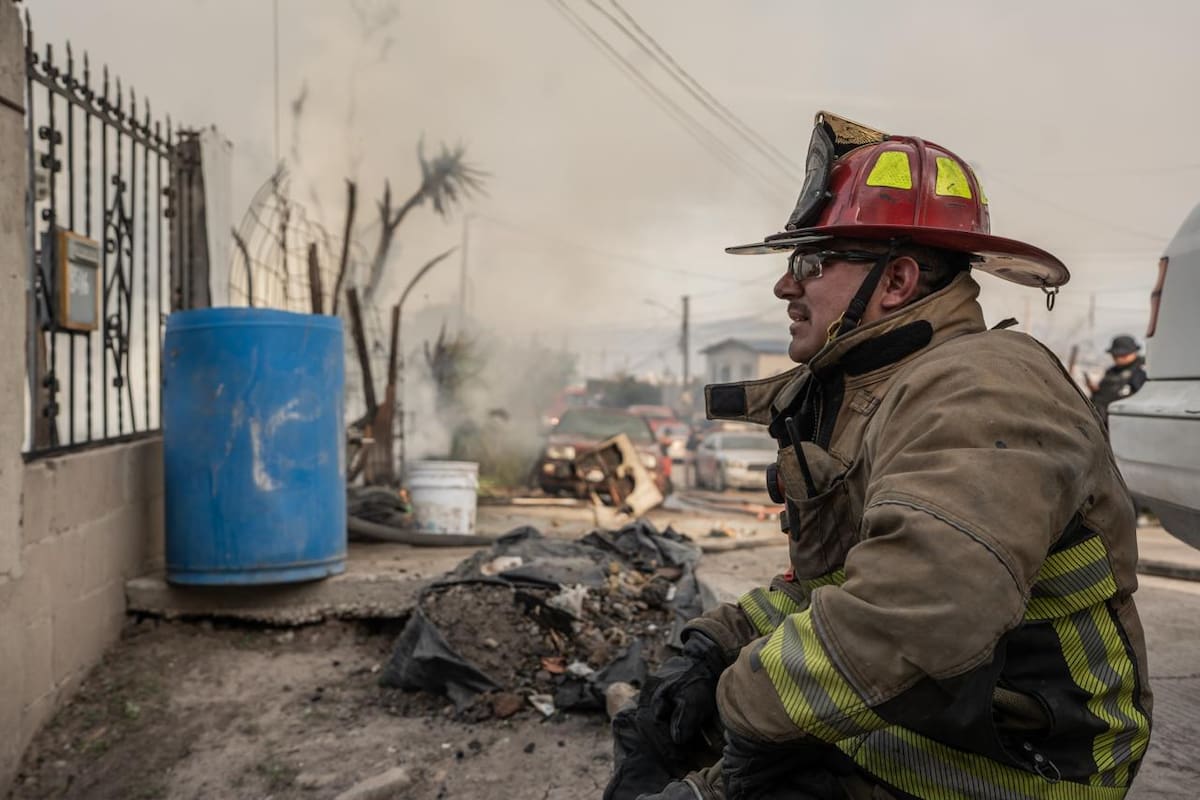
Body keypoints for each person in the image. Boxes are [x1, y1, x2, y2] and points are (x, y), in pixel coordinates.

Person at [604, 112, 1152, 800]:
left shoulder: (984, 388)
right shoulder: (880, 390)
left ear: (894, 282)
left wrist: (735, 704)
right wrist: (716, 642)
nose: (785, 287)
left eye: (811, 262)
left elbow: (921, 609)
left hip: (1019, 764)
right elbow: (841, 585)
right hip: (935, 716)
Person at [1087, 334, 1148, 423]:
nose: (1117, 358)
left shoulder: (1141, 370)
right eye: (1115, 355)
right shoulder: (1112, 371)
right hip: (1103, 419)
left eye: (1123, 355)